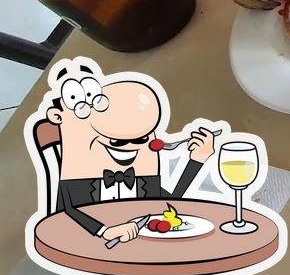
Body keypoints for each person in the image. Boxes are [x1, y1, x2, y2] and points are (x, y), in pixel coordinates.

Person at [43, 58, 215, 243]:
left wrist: (197, 160)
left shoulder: (142, 172)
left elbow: (167, 207)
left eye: (142, 139)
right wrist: (103, 231)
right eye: (117, 141)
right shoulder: (79, 174)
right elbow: (66, 214)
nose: (132, 146)